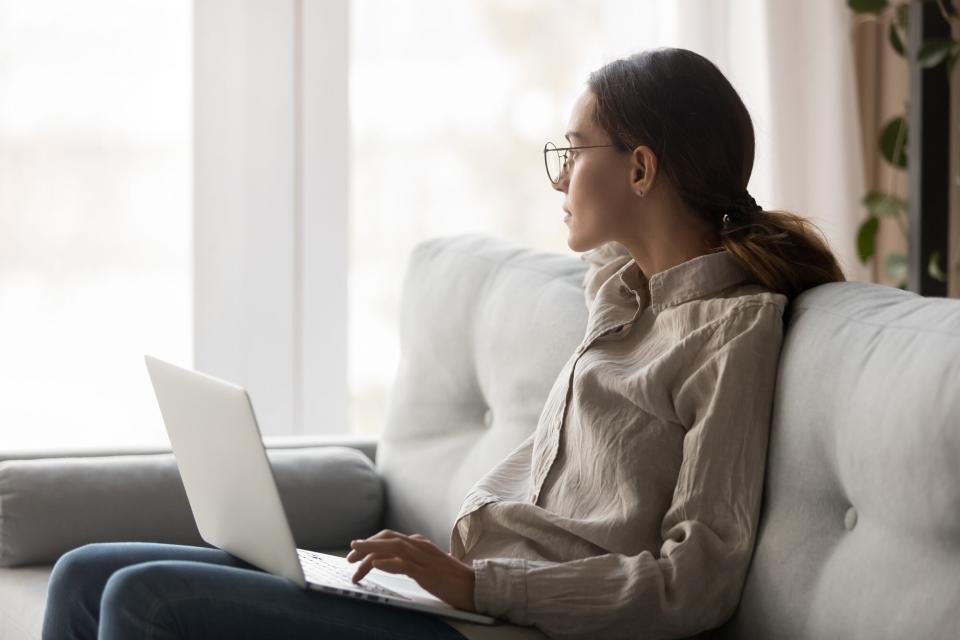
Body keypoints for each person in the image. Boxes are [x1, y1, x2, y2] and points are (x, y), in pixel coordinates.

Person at [41, 46, 845, 640]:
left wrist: (474, 584)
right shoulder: (620, 294)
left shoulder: (731, 332)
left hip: (507, 622)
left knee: (143, 602)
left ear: (641, 169)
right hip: (460, 598)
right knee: (84, 572)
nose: (560, 179)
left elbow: (696, 583)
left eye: (573, 151)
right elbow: (653, 234)